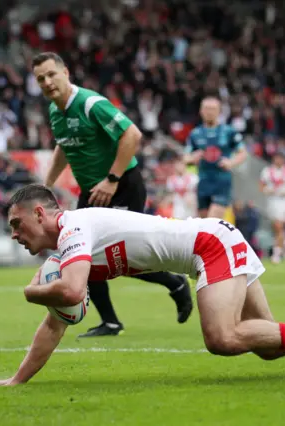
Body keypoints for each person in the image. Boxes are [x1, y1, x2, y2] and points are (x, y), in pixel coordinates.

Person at [0, 184, 285, 386]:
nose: (15, 235)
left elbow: (73, 294)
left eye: (16, 224)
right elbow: (54, 326)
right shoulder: (66, 254)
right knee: (268, 346)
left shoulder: (73, 226)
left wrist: (30, 291)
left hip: (209, 244)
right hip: (212, 243)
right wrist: (18, 380)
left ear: (41, 213)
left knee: (221, 338)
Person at [32, 52, 193, 338]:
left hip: (122, 186)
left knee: (125, 259)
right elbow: (63, 146)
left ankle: (175, 283)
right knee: (82, 257)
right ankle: (110, 322)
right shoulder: (56, 111)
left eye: (51, 74)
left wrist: (111, 179)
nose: (47, 82)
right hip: (92, 193)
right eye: (40, 78)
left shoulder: (91, 103)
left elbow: (132, 135)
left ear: (66, 72)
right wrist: (46, 185)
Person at [184, 97, 248, 219]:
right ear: (201, 111)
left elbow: (243, 153)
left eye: (213, 109)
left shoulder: (229, 131)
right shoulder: (195, 134)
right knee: (203, 224)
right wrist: (193, 158)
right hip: (203, 181)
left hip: (222, 182)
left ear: (219, 111)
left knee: (213, 220)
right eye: (206, 108)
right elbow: (185, 158)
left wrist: (231, 162)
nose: (209, 112)